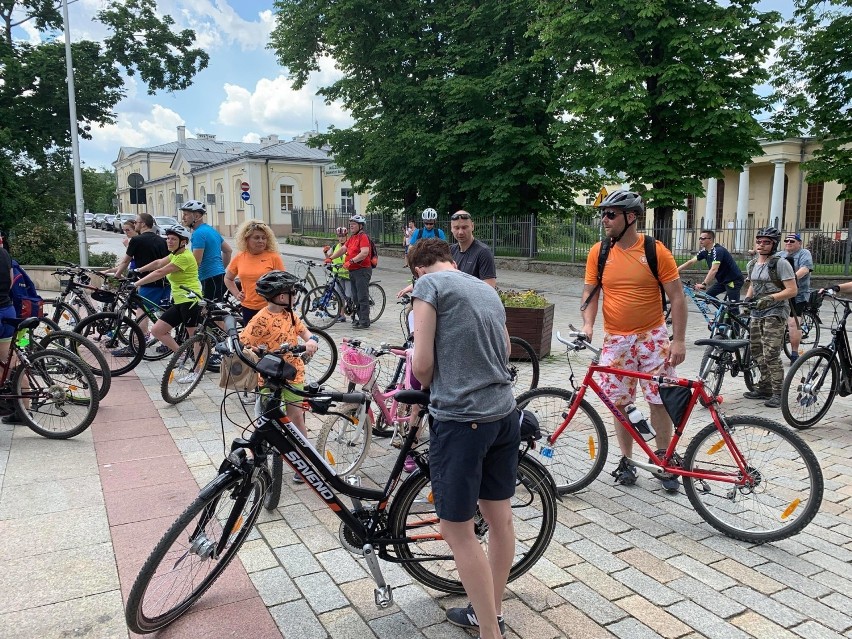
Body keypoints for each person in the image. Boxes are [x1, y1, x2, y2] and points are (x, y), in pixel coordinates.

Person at [408, 238, 518, 639]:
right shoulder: (484, 289)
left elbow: (421, 367)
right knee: (500, 518)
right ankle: (491, 610)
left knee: (457, 530)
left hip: (462, 420)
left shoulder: (428, 287)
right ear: (450, 260)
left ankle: (490, 632)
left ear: (418, 268)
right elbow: (505, 348)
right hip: (504, 413)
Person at [580, 190, 687, 492]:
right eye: (603, 213)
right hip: (615, 339)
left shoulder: (655, 250)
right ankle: (626, 460)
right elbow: (590, 294)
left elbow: (677, 298)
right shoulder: (599, 252)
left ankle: (664, 459)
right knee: (619, 402)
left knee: (659, 399)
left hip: (653, 336)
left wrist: (678, 341)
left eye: (610, 214)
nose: (604, 219)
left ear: (631, 217)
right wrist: (588, 325)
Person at [240, 270, 318, 484]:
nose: (295, 295)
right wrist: (253, 351)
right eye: (292, 292)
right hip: (269, 376)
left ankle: (305, 461)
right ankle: (258, 457)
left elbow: (304, 332)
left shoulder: (291, 315)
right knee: (266, 417)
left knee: (296, 416)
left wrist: (311, 340)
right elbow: (245, 341)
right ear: (282, 296)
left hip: (294, 373)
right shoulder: (261, 319)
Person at [742, 227, 797, 407]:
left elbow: (792, 290)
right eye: (759, 241)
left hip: (776, 310)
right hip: (757, 311)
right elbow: (753, 284)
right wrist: (748, 299)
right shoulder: (752, 264)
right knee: (757, 350)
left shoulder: (780, 264)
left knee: (771, 352)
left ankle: (778, 392)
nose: (761, 245)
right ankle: (764, 386)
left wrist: (770, 298)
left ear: (773, 244)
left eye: (766, 242)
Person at [132, 225, 202, 362]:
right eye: (168, 238)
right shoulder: (175, 254)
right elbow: (158, 263)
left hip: (190, 300)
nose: (169, 241)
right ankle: (182, 355)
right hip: (179, 300)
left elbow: (160, 272)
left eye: (173, 239)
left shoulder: (185, 257)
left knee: (194, 337)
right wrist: (138, 270)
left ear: (183, 242)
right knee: (157, 331)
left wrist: (136, 284)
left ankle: (197, 370)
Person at [107, 213, 170, 349]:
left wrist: (117, 275)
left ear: (143, 224)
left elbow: (126, 260)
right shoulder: (161, 240)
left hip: (148, 281)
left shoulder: (136, 240)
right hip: (165, 281)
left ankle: (137, 344)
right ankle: (166, 343)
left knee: (141, 311)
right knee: (162, 313)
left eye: (136, 222)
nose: (134, 225)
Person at [224, 220, 285, 325]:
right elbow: (228, 278)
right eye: (256, 237)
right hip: (248, 307)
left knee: (270, 339)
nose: (261, 241)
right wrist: (236, 294)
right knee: (251, 340)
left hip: (270, 307)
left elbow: (284, 283)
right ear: (246, 239)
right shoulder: (240, 256)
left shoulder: (273, 257)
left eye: (264, 238)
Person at [179, 200, 232, 302]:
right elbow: (228, 251)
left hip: (210, 279)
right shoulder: (211, 230)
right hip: (218, 276)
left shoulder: (198, 234)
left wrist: (184, 277)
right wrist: (220, 269)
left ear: (197, 216)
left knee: (212, 313)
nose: (183, 218)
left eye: (186, 214)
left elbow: (196, 262)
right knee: (212, 310)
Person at [327, 215, 372, 329]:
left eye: (354, 224)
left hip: (362, 270)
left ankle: (364, 321)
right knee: (355, 297)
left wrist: (351, 261)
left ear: (360, 226)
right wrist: (331, 258)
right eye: (350, 224)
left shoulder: (363, 237)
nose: (351, 226)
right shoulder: (352, 238)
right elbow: (343, 249)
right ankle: (358, 318)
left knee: (362, 296)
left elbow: (364, 252)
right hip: (353, 271)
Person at [677, 230, 744, 301]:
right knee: (708, 296)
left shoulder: (718, 251)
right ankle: (723, 311)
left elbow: (714, 270)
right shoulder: (705, 251)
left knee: (733, 307)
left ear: (710, 240)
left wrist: (704, 284)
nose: (700, 240)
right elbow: (691, 262)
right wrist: (677, 270)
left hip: (733, 280)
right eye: (700, 238)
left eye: (703, 238)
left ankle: (732, 311)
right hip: (722, 281)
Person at [778, 233, 813, 362]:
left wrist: (789, 280)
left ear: (799, 243)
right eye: (786, 240)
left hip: (798, 294)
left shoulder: (804, 253)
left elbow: (804, 269)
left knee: (793, 323)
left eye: (792, 241)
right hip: (781, 293)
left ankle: (794, 354)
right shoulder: (780, 255)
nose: (788, 243)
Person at [0, 238, 20, 424]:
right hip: (7, 309)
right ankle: (23, 411)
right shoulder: (4, 253)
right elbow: (12, 280)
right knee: (13, 362)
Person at [450, 211, 497, 288]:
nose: (460, 232)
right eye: (456, 228)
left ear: (472, 226)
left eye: (464, 227)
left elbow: (489, 289)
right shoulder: (450, 251)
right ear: (451, 228)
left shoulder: (483, 252)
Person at [322, 227, 351, 323]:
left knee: (349, 295)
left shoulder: (350, 246)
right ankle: (341, 315)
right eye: (339, 236)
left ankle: (354, 312)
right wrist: (326, 253)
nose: (341, 238)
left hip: (348, 275)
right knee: (340, 296)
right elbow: (330, 259)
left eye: (343, 236)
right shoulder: (335, 247)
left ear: (347, 236)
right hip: (338, 275)